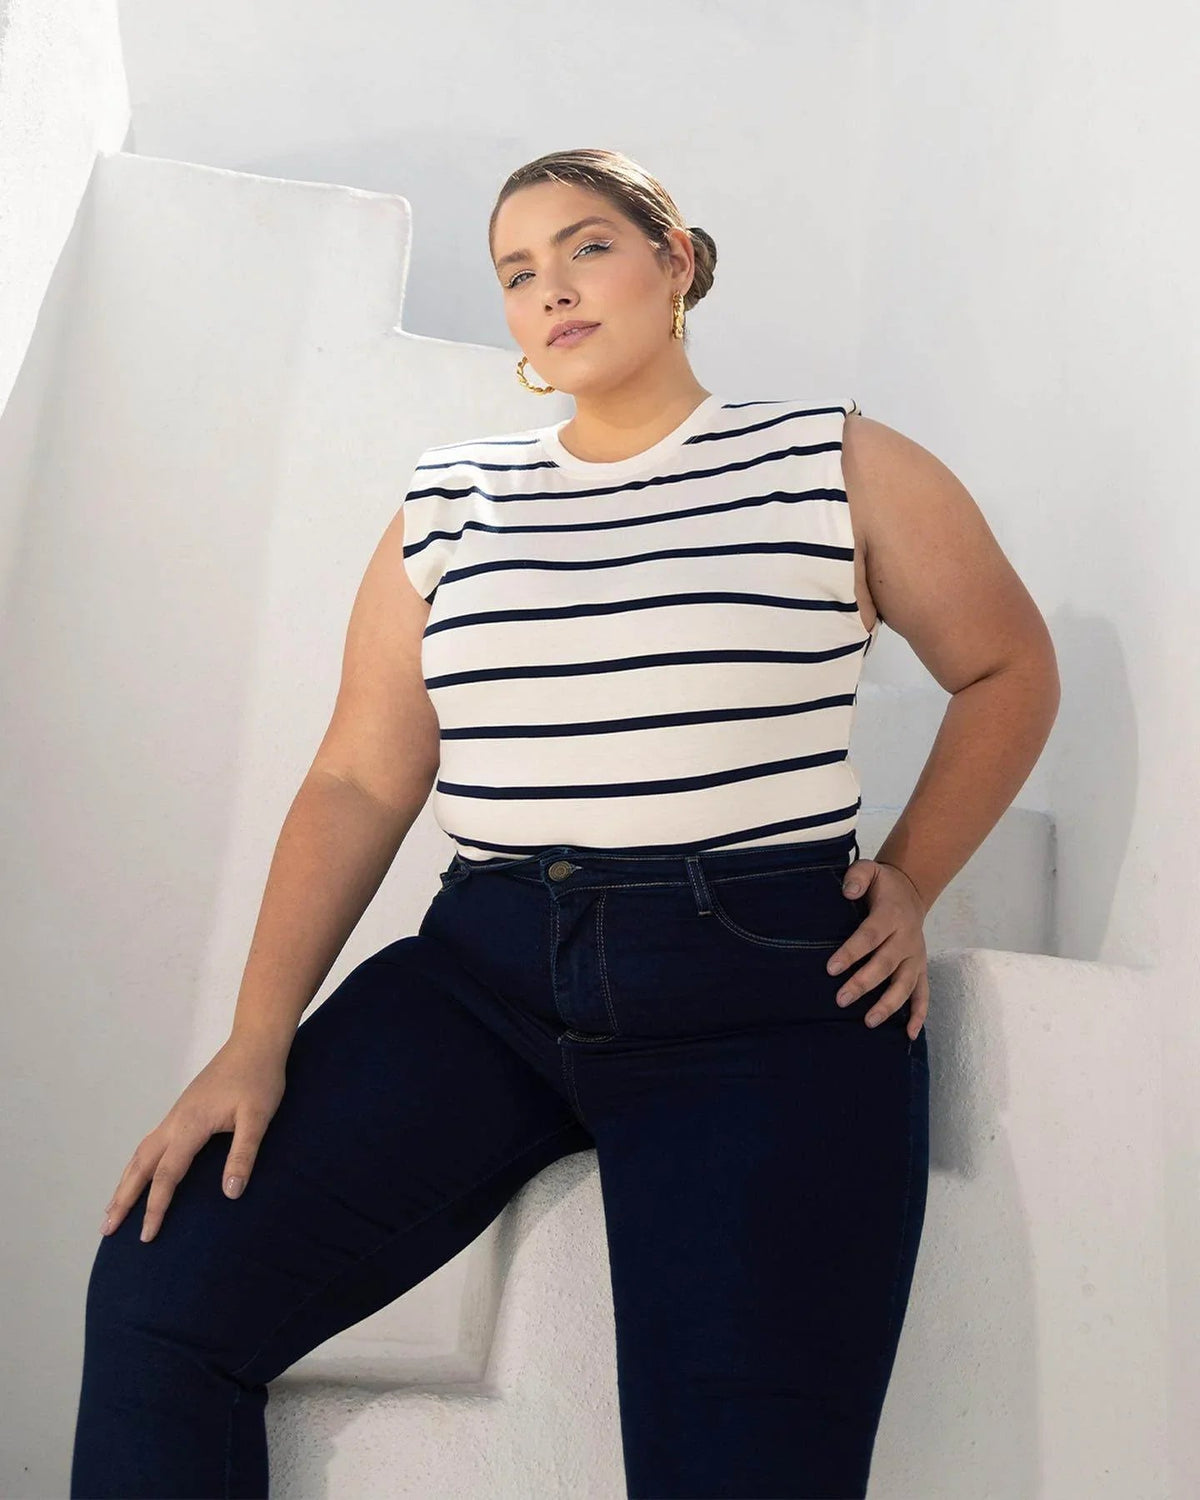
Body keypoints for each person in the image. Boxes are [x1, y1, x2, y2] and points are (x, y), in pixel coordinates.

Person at [70, 147, 1060, 1499]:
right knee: (160, 1297)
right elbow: (359, 779)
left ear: (675, 260)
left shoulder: (835, 459)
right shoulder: (450, 503)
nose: (552, 289)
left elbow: (1006, 668)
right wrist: (256, 1037)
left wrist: (910, 876)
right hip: (483, 979)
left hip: (763, 995)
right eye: (517, 271)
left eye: (587, 246)